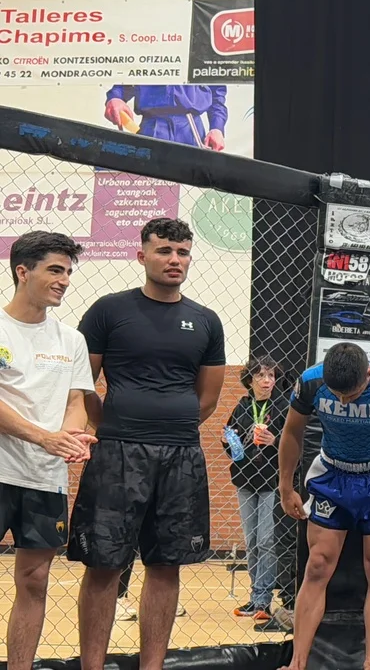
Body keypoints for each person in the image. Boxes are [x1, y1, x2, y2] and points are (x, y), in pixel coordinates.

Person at [68, 217, 227, 670]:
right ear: (142, 256)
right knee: (103, 564)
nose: (174, 260)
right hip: (117, 453)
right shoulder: (108, 311)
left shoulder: (206, 320)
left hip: (181, 456)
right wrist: (114, 426)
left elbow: (208, 399)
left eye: (182, 252)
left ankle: (152, 666)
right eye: (164, 251)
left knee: (166, 564)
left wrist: (169, 428)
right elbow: (82, 385)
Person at [277, 343, 370, 670]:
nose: (344, 401)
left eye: (352, 394)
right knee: (317, 565)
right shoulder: (311, 381)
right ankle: (297, 663)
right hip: (333, 474)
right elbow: (292, 430)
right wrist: (285, 486)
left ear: (369, 373)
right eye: (337, 395)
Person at [0, 231, 97, 670]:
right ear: (23, 271)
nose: (64, 281)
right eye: (55, 270)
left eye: (68, 272)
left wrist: (72, 438)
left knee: (35, 580)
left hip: (45, 479)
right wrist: (43, 437)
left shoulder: (71, 340)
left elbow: (76, 402)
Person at [224, 355, 290, 620]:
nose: (266, 380)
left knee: (266, 540)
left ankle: (263, 599)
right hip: (245, 480)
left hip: (272, 480)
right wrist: (230, 442)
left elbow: (295, 443)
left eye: (271, 375)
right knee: (251, 541)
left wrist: (276, 440)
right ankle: (255, 597)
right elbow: (231, 443)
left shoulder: (283, 406)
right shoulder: (242, 406)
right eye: (261, 375)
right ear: (249, 380)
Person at [104, 85, 228, 150]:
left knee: (192, 182)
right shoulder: (148, 47)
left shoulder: (201, 49)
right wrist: (115, 98)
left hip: (190, 127)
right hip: (152, 123)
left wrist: (217, 127)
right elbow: (130, 72)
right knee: (148, 183)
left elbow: (216, 90)